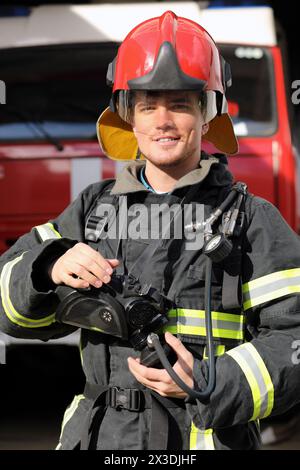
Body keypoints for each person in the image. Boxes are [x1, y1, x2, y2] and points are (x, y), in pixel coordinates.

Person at [1, 10, 300, 451]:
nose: (162, 120)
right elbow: (9, 307)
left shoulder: (252, 220)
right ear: (128, 118)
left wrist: (208, 382)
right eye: (148, 104)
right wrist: (48, 267)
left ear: (207, 113)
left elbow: (293, 340)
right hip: (101, 441)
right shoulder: (90, 209)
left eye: (180, 103)